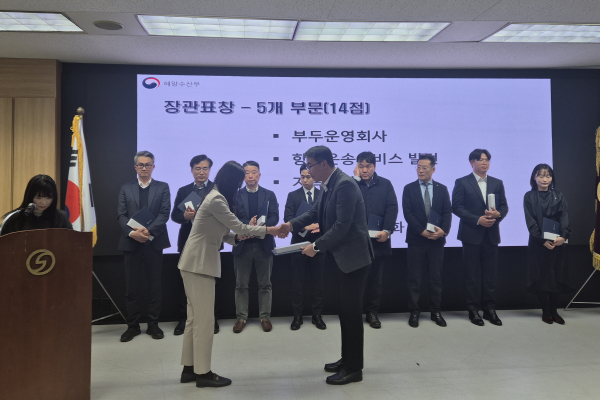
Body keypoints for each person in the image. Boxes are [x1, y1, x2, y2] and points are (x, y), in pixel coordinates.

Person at [178, 161, 283, 388]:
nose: (239, 186)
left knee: (194, 319)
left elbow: (224, 232)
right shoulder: (217, 199)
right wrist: (271, 230)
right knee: (204, 320)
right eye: (238, 181)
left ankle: (189, 369)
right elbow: (239, 226)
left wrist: (237, 237)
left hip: (195, 262)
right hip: (199, 264)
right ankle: (203, 373)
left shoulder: (213, 196)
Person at [281, 145, 373, 385]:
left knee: (352, 314)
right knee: (344, 311)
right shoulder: (328, 185)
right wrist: (290, 225)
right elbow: (314, 213)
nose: (308, 171)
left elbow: (342, 226)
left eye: (310, 166)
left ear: (323, 164)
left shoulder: (344, 185)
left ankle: (354, 368)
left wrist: (316, 246)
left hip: (354, 260)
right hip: (341, 259)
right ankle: (347, 359)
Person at [117, 151, 171, 342]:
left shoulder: (162, 187)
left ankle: (153, 325)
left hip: (153, 242)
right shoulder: (126, 188)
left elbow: (164, 213)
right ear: (135, 167)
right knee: (131, 288)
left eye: (148, 165)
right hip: (131, 242)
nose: (144, 168)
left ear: (153, 167)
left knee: (154, 287)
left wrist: (148, 231)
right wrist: (132, 233)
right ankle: (132, 326)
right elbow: (121, 215)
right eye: (141, 165)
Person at [452, 149, 508, 327]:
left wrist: (498, 214)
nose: (485, 163)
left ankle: (489, 309)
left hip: (491, 235)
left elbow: (504, 207)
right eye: (481, 160)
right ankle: (473, 310)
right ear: (472, 162)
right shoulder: (462, 182)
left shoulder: (497, 183)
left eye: (487, 160)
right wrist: (478, 220)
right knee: (471, 276)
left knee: (490, 276)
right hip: (471, 235)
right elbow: (457, 207)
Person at [171, 155, 219, 336]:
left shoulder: (216, 190)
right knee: (186, 283)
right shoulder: (184, 191)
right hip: (188, 242)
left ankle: (211, 319)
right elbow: (175, 216)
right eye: (198, 168)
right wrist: (185, 216)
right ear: (192, 170)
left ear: (210, 170)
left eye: (205, 168)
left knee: (210, 282)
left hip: (210, 241)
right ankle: (184, 319)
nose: (201, 172)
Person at [402, 154, 452, 328]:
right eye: (418, 167)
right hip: (416, 240)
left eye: (424, 167)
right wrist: (422, 232)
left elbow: (447, 212)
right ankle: (414, 312)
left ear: (433, 169)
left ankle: (436, 311)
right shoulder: (409, 188)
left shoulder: (442, 189)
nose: (420, 170)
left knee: (435, 278)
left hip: (436, 241)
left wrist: (443, 231)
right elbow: (408, 214)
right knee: (414, 278)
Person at [231, 161, 279, 333]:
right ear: (243, 176)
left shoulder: (269, 194)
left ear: (259, 175)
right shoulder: (236, 195)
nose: (250, 176)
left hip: (263, 245)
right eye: (247, 172)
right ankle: (241, 318)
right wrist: (247, 225)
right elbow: (232, 218)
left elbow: (274, 217)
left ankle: (265, 317)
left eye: (253, 172)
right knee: (241, 285)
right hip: (243, 245)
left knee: (265, 284)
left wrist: (260, 226)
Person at [353, 151, 398, 329]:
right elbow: (344, 204)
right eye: (361, 166)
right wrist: (354, 180)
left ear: (374, 167)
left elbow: (392, 208)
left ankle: (372, 313)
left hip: (378, 241)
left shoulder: (385, 184)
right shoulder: (350, 184)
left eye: (368, 166)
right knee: (356, 280)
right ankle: (355, 312)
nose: (364, 170)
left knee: (375, 280)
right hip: (357, 242)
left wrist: (387, 231)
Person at [524, 164, 572, 324]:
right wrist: (542, 240)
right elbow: (531, 221)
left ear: (552, 178)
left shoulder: (559, 195)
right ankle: (546, 312)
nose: (545, 179)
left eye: (548, 176)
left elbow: (565, 217)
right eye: (541, 176)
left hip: (558, 242)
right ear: (534, 177)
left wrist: (563, 237)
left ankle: (555, 311)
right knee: (543, 278)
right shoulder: (529, 196)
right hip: (539, 243)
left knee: (556, 276)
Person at [283, 163, 326, 331]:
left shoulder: (323, 194)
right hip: (298, 244)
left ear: (313, 177)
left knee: (318, 283)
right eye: (303, 177)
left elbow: (329, 216)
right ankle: (297, 316)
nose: (305, 180)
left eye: (308, 176)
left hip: (318, 243)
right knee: (297, 283)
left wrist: (320, 225)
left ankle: (317, 316)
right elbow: (288, 218)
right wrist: (305, 226)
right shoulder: (293, 195)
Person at [0, 174, 72, 236]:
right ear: (30, 196)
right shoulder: (15, 217)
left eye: (49, 198)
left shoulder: (61, 217)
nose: (43, 203)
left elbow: (71, 240)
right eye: (38, 198)